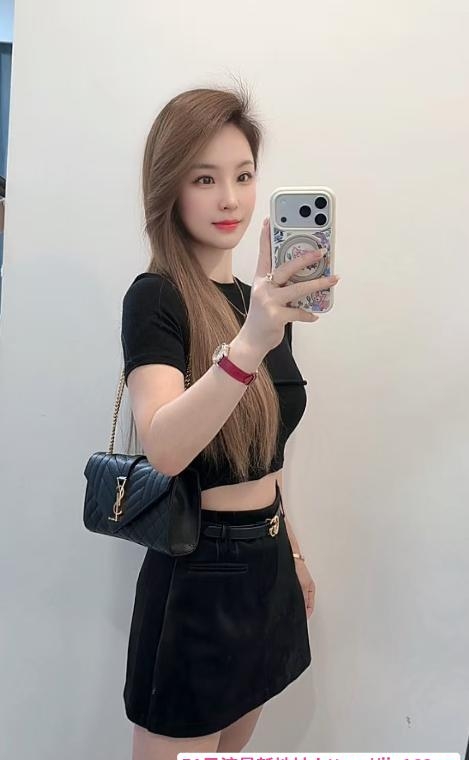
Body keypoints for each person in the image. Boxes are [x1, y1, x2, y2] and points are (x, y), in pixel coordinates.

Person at [120, 83, 340, 759]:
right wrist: (249, 344)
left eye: (243, 177)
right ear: (170, 188)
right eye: (204, 179)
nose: (230, 200)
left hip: (266, 564)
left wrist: (292, 553)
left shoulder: (259, 302)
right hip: (199, 570)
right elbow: (164, 448)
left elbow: (265, 450)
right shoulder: (155, 297)